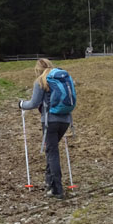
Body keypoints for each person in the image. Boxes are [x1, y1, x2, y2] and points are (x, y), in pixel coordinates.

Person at [19, 58, 72, 199]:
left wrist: (21, 104)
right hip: (65, 120)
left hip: (50, 121)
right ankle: (49, 183)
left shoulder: (41, 81)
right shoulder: (61, 77)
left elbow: (34, 103)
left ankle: (57, 189)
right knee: (51, 150)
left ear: (38, 69)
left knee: (52, 152)